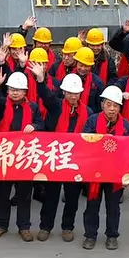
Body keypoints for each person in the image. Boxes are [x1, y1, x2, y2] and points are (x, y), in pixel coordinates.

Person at [0, 69, 44, 241]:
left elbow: (41, 124)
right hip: (4, 155)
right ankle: (0, 225)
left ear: (25, 91)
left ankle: (24, 227)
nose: (14, 92)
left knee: (24, 194)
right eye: (11, 89)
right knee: (2, 194)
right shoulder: (1, 103)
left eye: (18, 89)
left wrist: (35, 126)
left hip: (24, 157)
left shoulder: (33, 107)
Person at [36, 73, 89, 242]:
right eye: (70, 92)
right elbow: (45, 96)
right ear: (64, 92)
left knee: (72, 196)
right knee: (51, 195)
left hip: (76, 160)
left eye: (76, 93)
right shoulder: (56, 106)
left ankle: (67, 227)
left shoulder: (87, 112)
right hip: (55, 158)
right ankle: (45, 226)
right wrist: (40, 80)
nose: (73, 96)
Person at [81, 85, 129, 250]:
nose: (112, 109)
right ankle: (90, 235)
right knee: (92, 206)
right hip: (95, 172)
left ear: (120, 108)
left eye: (115, 105)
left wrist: (127, 176)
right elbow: (84, 143)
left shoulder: (127, 127)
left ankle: (112, 236)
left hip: (115, 174)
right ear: (102, 105)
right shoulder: (92, 121)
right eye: (108, 104)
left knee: (113, 207)